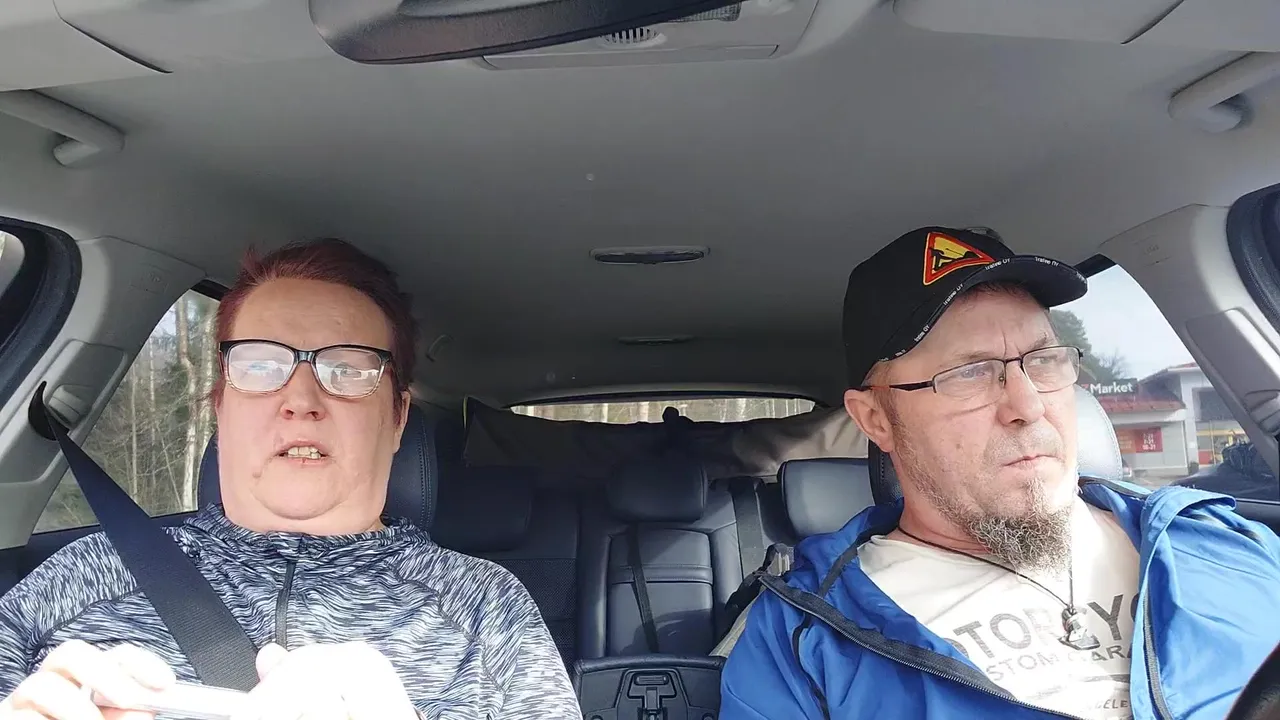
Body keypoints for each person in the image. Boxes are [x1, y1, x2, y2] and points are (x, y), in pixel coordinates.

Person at [0, 239, 582, 719]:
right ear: (221, 406)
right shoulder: (81, 577)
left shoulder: (482, 608)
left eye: (347, 369)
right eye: (259, 365)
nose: (301, 399)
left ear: (398, 418)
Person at [720, 226, 1280, 719]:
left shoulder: (1224, 541)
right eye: (969, 373)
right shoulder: (802, 640)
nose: (1028, 405)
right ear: (876, 419)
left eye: (1044, 360)